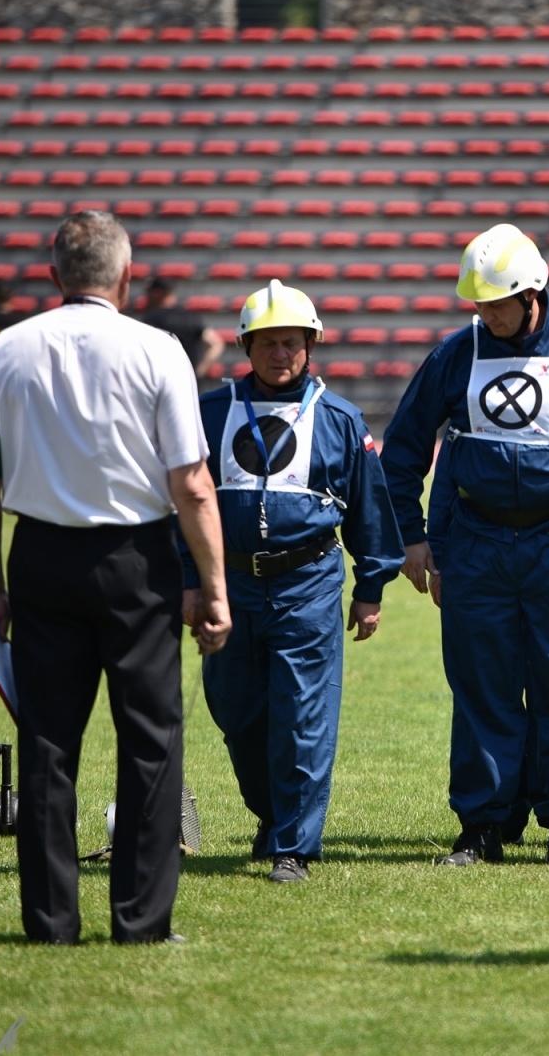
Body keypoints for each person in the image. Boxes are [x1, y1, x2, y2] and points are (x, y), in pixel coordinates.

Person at [0, 210, 230, 944]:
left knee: (49, 741)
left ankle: (50, 921)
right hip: (135, 560)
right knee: (150, 738)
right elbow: (193, 483)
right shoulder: (158, 349)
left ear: (54, 277)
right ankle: (141, 920)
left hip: (41, 554)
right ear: (128, 275)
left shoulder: (4, 351)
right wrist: (212, 585)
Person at [380, 222, 549, 869]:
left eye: (496, 303)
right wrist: (412, 538)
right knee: (481, 687)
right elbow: (406, 447)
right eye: (478, 305)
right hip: (476, 543)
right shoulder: (456, 352)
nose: (486, 315)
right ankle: (483, 825)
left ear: (533, 294)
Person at [184, 280, 403, 883]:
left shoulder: (339, 418)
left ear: (311, 347)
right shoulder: (209, 412)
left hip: (307, 584)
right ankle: (271, 813)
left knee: (302, 717)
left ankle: (294, 848)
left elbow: (369, 508)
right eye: (268, 343)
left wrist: (371, 587)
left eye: (292, 343)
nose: (280, 354)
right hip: (227, 586)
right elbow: (180, 502)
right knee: (238, 713)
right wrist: (188, 579)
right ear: (245, 348)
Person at [140, 276, 225, 376]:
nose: (146, 297)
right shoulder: (190, 316)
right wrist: (198, 372)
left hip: (162, 381)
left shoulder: (152, 319)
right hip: (189, 383)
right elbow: (216, 344)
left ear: (158, 293)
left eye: (149, 293)